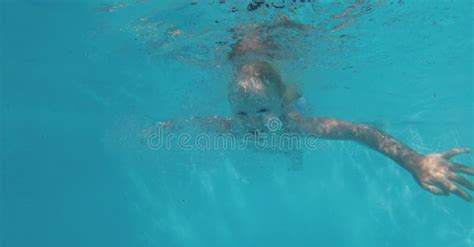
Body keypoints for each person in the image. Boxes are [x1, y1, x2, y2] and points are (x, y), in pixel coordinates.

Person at [146, 16, 474, 202]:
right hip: (282, 119)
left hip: (294, 110)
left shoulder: (296, 122)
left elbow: (361, 132)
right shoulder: (234, 126)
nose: (253, 124)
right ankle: (291, 155)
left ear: (279, 105)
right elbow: (196, 123)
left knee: (292, 145)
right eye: (242, 114)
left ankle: (291, 135)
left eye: (262, 111)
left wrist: (414, 160)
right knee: (286, 150)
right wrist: (163, 129)